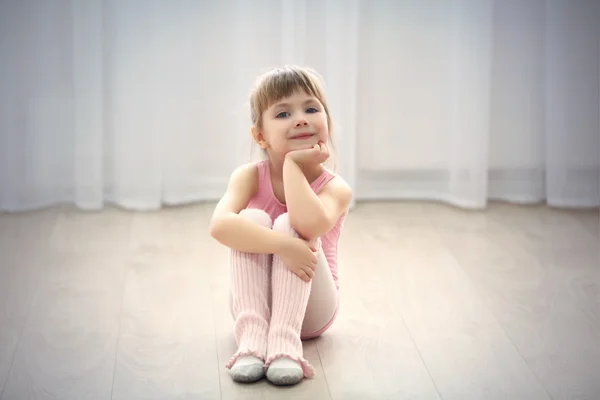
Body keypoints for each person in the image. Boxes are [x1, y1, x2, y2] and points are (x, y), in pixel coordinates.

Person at [209, 65, 352, 386]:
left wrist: (292, 165)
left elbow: (307, 225)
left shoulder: (336, 187)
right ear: (260, 135)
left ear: (326, 123)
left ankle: (286, 345)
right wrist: (283, 245)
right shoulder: (247, 176)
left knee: (289, 222)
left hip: (311, 312)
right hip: (254, 310)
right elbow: (219, 226)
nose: (300, 118)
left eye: (311, 109)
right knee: (250, 219)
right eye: (283, 113)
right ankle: (252, 340)